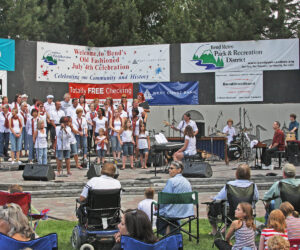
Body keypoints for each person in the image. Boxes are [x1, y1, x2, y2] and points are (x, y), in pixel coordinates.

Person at [209, 164, 259, 235]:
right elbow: (256, 198)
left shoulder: (230, 185)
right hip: (247, 212)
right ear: (249, 174)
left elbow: (219, 198)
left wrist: (213, 198)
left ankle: (215, 230)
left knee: (212, 206)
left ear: (236, 174)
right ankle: (225, 227)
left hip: (232, 211)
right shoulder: (253, 186)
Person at [157, 161, 194, 235]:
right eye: (169, 168)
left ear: (179, 170)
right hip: (186, 211)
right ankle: (174, 232)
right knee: (168, 211)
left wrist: (158, 206)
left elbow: (164, 199)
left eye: (171, 168)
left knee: (160, 212)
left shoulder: (171, 181)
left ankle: (167, 235)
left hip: (174, 212)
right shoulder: (187, 182)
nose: (169, 170)